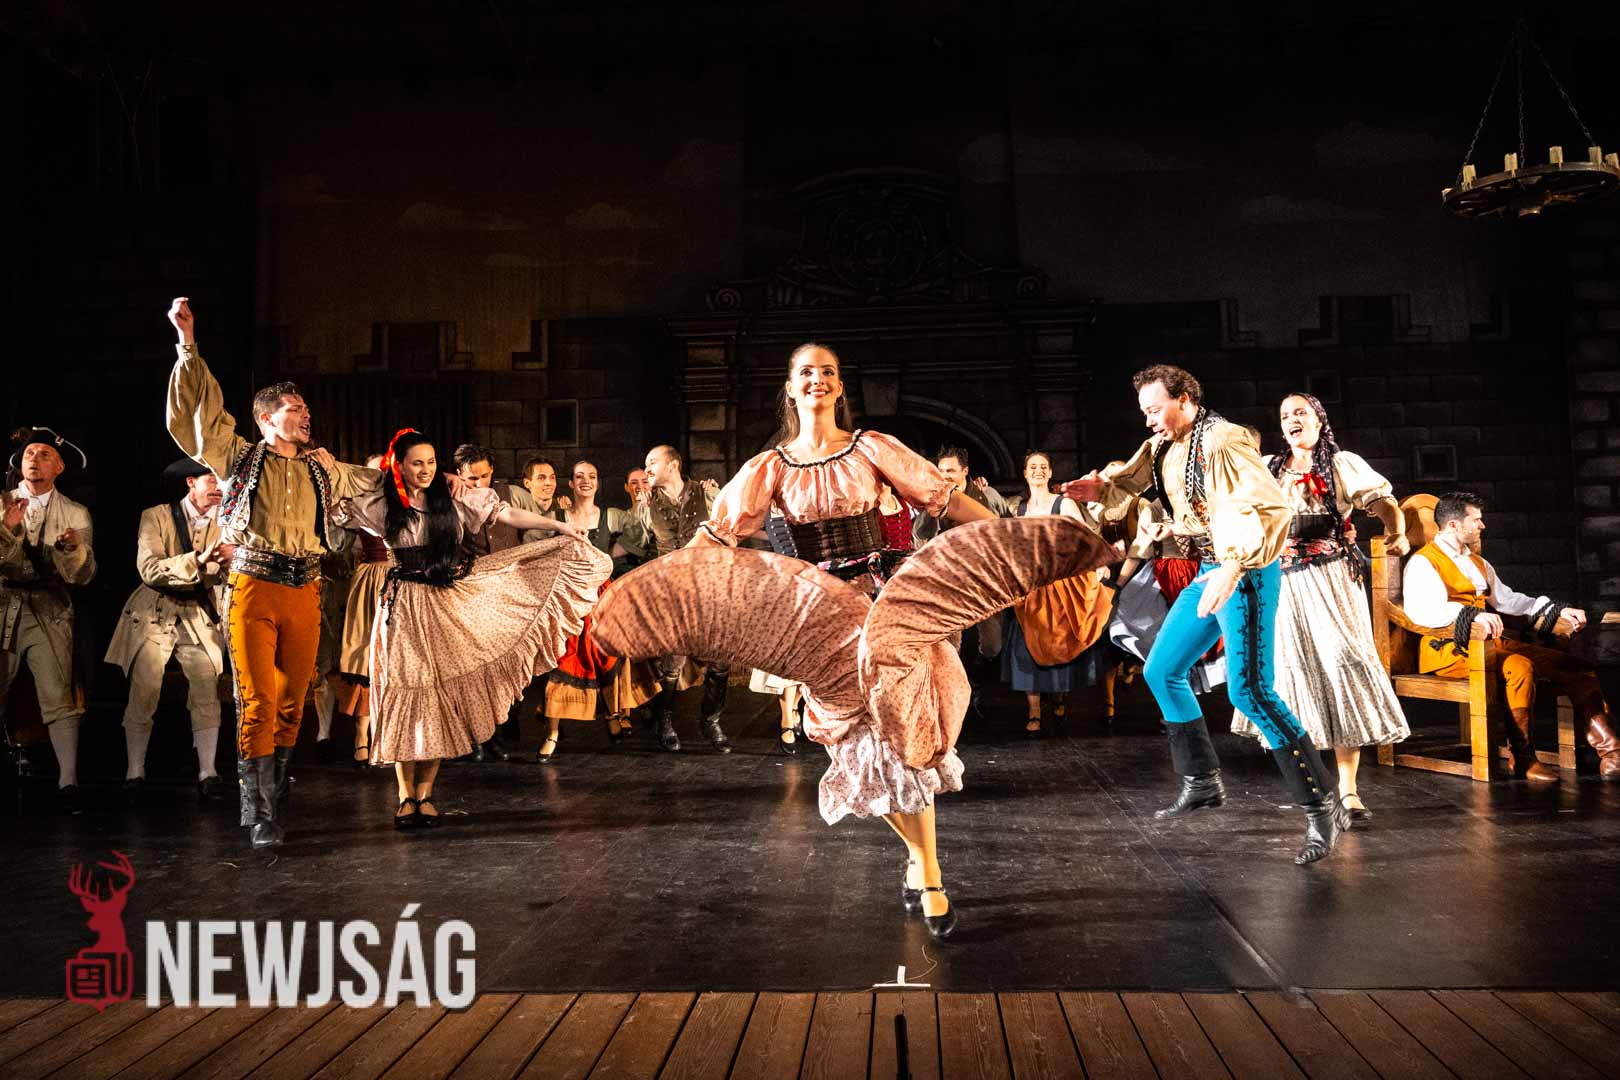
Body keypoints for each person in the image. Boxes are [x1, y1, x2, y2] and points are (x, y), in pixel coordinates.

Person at [664, 342, 999, 937]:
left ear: (840, 386)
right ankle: (919, 859)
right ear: (790, 387)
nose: (817, 379)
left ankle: (929, 872)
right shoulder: (769, 468)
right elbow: (717, 536)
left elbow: (941, 499)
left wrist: (1015, 535)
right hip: (819, 618)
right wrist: (662, 585)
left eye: (828, 372)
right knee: (851, 746)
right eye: (806, 372)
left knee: (905, 736)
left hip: (882, 606)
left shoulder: (871, 448)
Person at [1061, 363, 1349, 865]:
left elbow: (1271, 510)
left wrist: (1233, 568)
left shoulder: (1223, 440)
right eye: (1145, 412)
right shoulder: (1164, 444)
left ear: (1185, 399)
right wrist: (1100, 492)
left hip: (1247, 570)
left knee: (1250, 691)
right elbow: (1132, 480)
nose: (1149, 420)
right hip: (1211, 568)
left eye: (1156, 410)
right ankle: (1202, 781)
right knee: (1162, 670)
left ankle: (1323, 804)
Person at [165, 296, 383, 849]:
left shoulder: (322, 467)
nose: (306, 415)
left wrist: (433, 478)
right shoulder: (238, 457)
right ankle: (257, 812)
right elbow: (200, 418)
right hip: (254, 588)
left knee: (293, 701)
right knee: (257, 700)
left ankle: (277, 795)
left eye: (306, 408)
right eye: (294, 408)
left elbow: (382, 482)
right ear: (266, 418)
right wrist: (187, 344)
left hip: (305, 588)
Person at [331, 429, 607, 828]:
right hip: (403, 606)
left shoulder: (453, 498)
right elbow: (339, 500)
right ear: (400, 466)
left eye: (431, 462)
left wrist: (560, 527)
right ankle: (405, 796)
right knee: (403, 691)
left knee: (439, 694)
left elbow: (506, 514)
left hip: (444, 600)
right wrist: (379, 474)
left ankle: (426, 794)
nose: (425, 470)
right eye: (416, 463)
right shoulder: (384, 505)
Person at [1229, 394, 1410, 820]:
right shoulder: (1269, 467)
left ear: (1318, 420)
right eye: (1284, 415)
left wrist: (1396, 529)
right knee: (1289, 673)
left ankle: (1349, 790)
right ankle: (1313, 786)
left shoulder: (1341, 464)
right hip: (1280, 581)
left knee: (1342, 664)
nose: (1292, 420)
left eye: (1300, 413)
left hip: (1330, 577)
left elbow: (1381, 502)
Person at [1402, 492, 1620, 781]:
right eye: (1476, 520)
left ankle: (1611, 753)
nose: (1482, 525)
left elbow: (1509, 601)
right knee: (1519, 666)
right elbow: (1420, 611)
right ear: (1453, 525)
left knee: (1575, 667)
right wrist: (1469, 614)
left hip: (1491, 643)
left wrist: (1556, 610)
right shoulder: (1423, 562)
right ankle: (1523, 757)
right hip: (1449, 649)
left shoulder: (1477, 562)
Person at [104, 459, 232, 801]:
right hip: (154, 609)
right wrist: (198, 561)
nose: (219, 486)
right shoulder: (156, 516)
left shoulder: (228, 520)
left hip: (199, 611)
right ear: (191, 482)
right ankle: (135, 772)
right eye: (211, 479)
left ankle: (208, 772)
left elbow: (231, 570)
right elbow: (149, 568)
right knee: (144, 687)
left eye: (222, 480)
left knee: (206, 687)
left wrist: (229, 563)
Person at [0, 427, 96, 808]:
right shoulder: (2, 503)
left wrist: (72, 550)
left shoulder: (74, 513)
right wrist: (8, 530)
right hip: (4, 604)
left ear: (59, 467)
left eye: (44, 455)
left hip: (50, 609)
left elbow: (83, 575)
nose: (34, 461)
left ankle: (68, 781)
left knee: (57, 694)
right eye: (29, 454)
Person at [535, 459, 647, 761]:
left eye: (592, 476)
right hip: (569, 598)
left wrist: (609, 555)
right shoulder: (557, 516)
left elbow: (640, 534)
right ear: (571, 483)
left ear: (598, 483)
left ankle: (613, 714)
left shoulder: (611, 516)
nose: (586, 481)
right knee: (564, 658)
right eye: (580, 476)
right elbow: (534, 544)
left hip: (600, 596)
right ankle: (552, 733)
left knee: (607, 654)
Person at [1002, 450, 1113, 737]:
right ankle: (1034, 712)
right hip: (1029, 587)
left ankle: (1059, 697)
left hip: (1060, 583)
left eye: (1043, 467)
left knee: (1058, 641)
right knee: (1025, 647)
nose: (1038, 471)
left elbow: (1085, 537)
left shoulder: (1063, 504)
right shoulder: (1018, 509)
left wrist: (1099, 564)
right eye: (1032, 467)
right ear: (1025, 473)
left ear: (1050, 472)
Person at [639, 444, 730, 752]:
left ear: (673, 465)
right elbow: (636, 542)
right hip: (672, 590)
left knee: (720, 659)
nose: (647, 469)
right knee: (672, 662)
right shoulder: (646, 504)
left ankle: (711, 720)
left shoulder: (707, 494)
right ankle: (664, 722)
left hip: (708, 588)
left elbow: (729, 530)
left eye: (653, 462)